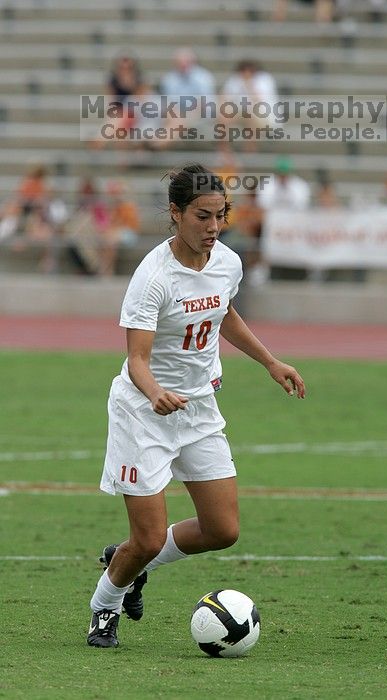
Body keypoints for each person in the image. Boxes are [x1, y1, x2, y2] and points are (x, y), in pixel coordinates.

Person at [87, 163, 306, 648]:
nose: (213, 228)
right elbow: (136, 359)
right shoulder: (152, 277)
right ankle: (104, 606)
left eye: (220, 216)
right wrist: (155, 393)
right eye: (202, 217)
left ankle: (131, 564)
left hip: (199, 408)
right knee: (145, 538)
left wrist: (270, 362)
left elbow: (223, 311)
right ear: (176, 213)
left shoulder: (228, 262)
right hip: (143, 412)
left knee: (222, 529)